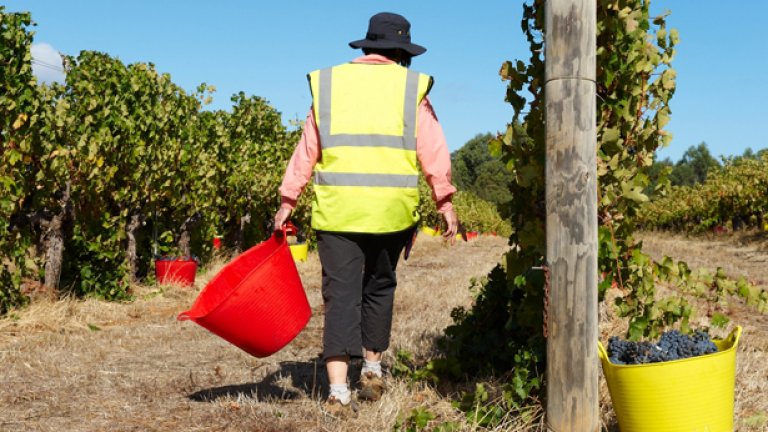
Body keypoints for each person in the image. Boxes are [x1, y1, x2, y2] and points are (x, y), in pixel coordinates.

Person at [273, 11, 458, 416]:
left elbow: (308, 148)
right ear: (401, 51)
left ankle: (338, 392)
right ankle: (371, 370)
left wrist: (288, 199)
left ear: (369, 45)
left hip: (338, 211)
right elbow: (432, 149)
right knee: (379, 286)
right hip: (390, 212)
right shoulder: (412, 89)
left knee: (340, 296)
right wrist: (444, 201)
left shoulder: (329, 84)